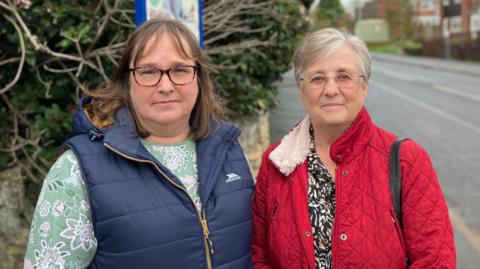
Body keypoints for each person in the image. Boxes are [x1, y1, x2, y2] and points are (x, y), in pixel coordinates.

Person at [24, 19, 254, 269]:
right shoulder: (76, 170)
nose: (166, 86)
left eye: (180, 70)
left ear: (198, 78)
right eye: (148, 72)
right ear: (127, 81)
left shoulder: (226, 147)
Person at [251, 28, 456, 269]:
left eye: (344, 76)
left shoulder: (406, 161)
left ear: (365, 86)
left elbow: (435, 261)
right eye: (317, 78)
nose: (330, 89)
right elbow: (259, 255)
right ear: (300, 89)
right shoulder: (276, 162)